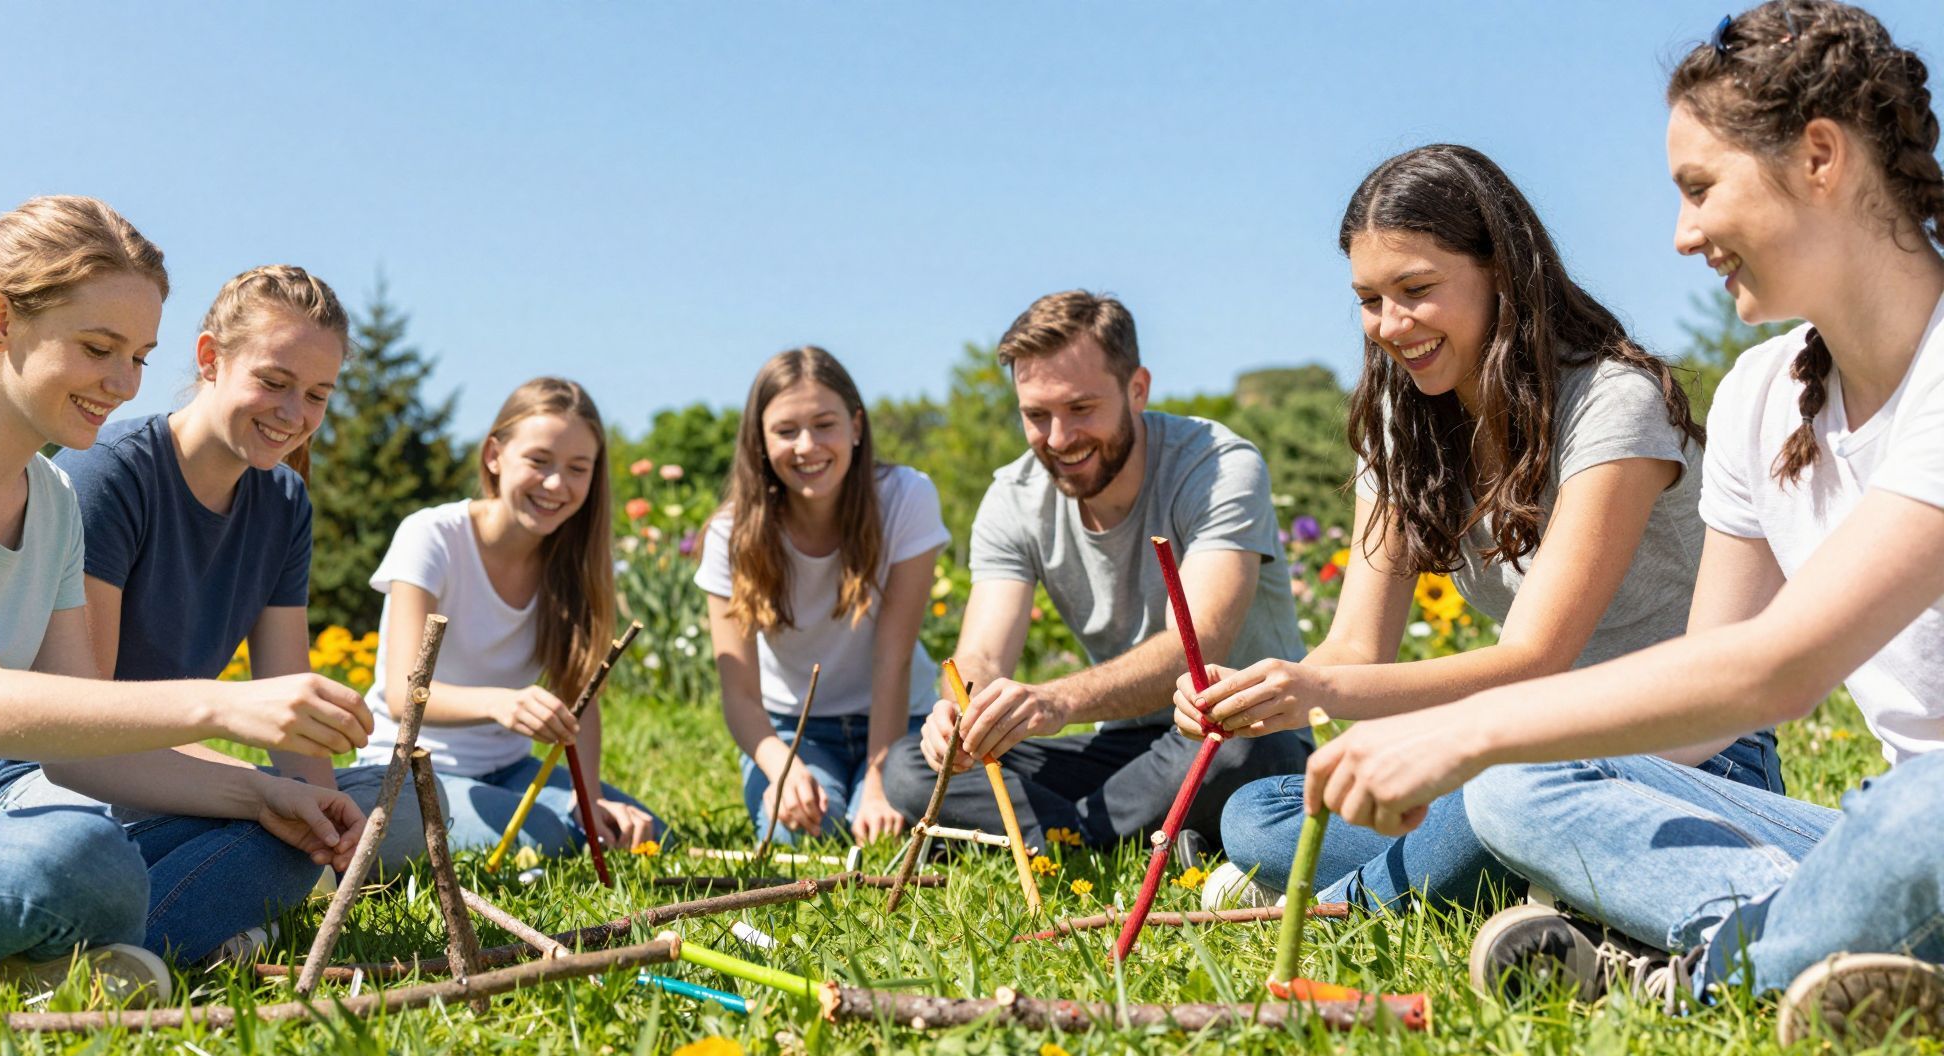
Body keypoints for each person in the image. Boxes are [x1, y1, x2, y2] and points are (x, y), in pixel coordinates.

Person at [1301, 0, 1944, 1047]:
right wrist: (1488, 758)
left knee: (1921, 816)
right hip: (1877, 825)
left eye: (1698, 189)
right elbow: (1703, 710)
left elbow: (1776, 673)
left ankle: (1698, 975)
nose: (1681, 234)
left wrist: (1461, 726)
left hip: (1924, 821)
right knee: (1518, 789)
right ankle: (1838, 949)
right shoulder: (1756, 396)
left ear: (1819, 156)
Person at [1175, 145, 1776, 915]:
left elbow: (1534, 662)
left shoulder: (1611, 404)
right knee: (1257, 813)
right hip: (1514, 753)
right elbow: (1355, 654)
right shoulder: (1405, 423)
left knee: (1493, 803)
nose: (1390, 326)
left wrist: (1322, 689)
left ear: (1501, 273)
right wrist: (1266, 693)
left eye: (1416, 290)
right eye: (1368, 299)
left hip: (1682, 763)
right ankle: (1497, 880)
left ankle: (1336, 903)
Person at [0, 197, 370, 994]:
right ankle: (90, 952)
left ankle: (53, 964)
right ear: (0, 321)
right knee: (80, 857)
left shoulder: (47, 499)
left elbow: (78, 746)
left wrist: (264, 792)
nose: (122, 384)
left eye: (139, 357)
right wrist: (220, 708)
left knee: (279, 838)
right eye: (97, 348)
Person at [0, 265, 426, 967]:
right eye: (273, 382)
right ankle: (146, 939)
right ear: (211, 359)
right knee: (259, 834)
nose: (292, 413)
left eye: (317, 395)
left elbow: (292, 722)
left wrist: (327, 835)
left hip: (172, 774)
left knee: (399, 807)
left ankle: (166, 927)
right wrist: (263, 798)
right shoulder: (111, 474)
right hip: (49, 776)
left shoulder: (284, 504)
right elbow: (86, 725)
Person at [881, 290, 1307, 850]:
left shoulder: (1218, 466)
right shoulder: (1012, 497)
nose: (1058, 439)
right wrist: (964, 716)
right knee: (910, 765)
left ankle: (1054, 837)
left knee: (1248, 746)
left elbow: (1198, 643)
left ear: (1137, 389)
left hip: (1227, 731)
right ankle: (1104, 836)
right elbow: (981, 654)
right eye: (1036, 416)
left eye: (1081, 409)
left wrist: (1056, 702)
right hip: (1120, 750)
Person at [354, 377, 662, 856]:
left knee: (638, 831)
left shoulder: (572, 562)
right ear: (495, 455)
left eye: (578, 468)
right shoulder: (431, 536)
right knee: (552, 838)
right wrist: (500, 703)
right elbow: (400, 695)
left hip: (509, 770)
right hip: (410, 767)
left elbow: (583, 698)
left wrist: (592, 796)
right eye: (539, 461)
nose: (556, 484)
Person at [698, 347, 948, 844]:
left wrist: (878, 783)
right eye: (786, 431)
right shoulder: (731, 534)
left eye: (824, 424)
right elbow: (740, 693)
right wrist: (780, 768)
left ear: (856, 426)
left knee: (895, 828)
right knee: (800, 831)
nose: (807, 446)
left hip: (902, 716)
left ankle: (874, 782)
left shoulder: (906, 498)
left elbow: (892, 660)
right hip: (795, 728)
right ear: (761, 442)